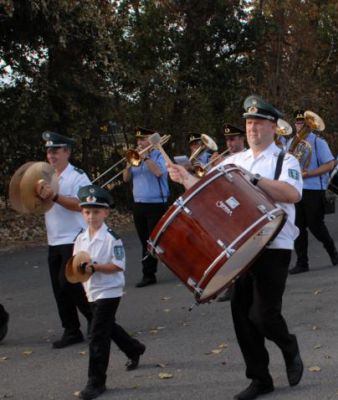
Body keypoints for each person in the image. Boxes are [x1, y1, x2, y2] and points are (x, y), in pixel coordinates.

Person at [168, 95, 304, 400]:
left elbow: (292, 193)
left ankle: (288, 345)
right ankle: (260, 379)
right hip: (239, 244)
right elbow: (207, 192)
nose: (252, 127)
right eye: (249, 122)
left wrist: (253, 180)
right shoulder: (232, 161)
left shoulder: (285, 160)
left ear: (273, 126)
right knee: (242, 316)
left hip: (274, 243)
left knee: (263, 315)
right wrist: (185, 178)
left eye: (258, 122)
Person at [73, 185, 146, 400]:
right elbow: (76, 262)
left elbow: (118, 265)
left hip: (110, 290)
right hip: (91, 290)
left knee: (98, 335)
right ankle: (134, 348)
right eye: (87, 212)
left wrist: (94, 267)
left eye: (96, 212)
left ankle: (96, 382)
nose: (92, 216)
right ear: (82, 213)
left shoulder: (112, 238)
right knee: (107, 327)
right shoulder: (80, 238)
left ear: (106, 213)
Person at [37, 131, 93, 348]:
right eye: (49, 151)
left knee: (69, 283)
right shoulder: (46, 176)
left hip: (74, 237)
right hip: (54, 239)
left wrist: (56, 197)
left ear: (67, 152)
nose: (51, 155)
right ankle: (71, 330)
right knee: (59, 288)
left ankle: (94, 318)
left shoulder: (78, 176)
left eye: (56, 150)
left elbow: (83, 205)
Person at [289, 109, 338, 274]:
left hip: (314, 189)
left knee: (316, 226)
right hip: (296, 189)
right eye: (297, 122)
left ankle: (330, 248)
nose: (299, 125)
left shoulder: (318, 142)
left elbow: (330, 164)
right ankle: (302, 262)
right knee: (298, 227)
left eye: (302, 122)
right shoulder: (291, 143)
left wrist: (309, 173)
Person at [122, 127, 169, 287]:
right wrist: (129, 164)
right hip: (139, 204)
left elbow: (159, 173)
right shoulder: (135, 158)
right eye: (138, 140)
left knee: (153, 241)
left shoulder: (159, 155)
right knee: (145, 241)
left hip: (156, 204)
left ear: (151, 140)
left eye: (143, 139)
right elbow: (125, 178)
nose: (140, 143)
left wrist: (147, 157)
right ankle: (149, 273)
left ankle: (149, 274)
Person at [215, 123, 247, 303]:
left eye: (233, 139)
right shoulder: (225, 159)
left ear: (242, 139)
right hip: (227, 207)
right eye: (227, 140)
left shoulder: (248, 157)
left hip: (245, 208)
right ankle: (231, 286)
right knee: (229, 249)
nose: (229, 143)